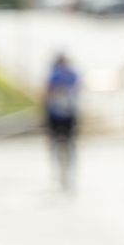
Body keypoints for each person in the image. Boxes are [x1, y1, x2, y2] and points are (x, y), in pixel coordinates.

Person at [43, 51, 79, 192]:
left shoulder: (72, 74)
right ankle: (59, 168)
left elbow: (77, 90)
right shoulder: (54, 75)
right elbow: (47, 93)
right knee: (56, 143)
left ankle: (68, 168)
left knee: (69, 143)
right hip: (55, 113)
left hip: (68, 113)